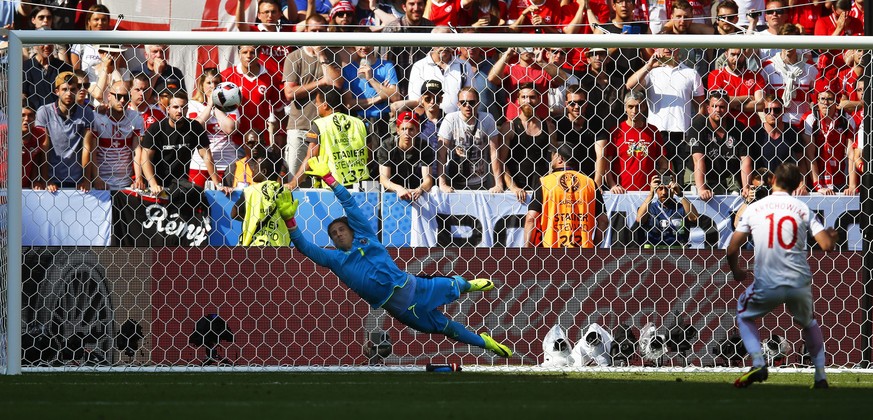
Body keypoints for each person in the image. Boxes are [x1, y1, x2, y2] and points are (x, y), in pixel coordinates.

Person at [279, 156, 513, 358]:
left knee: (455, 285)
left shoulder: (367, 236)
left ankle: (469, 285)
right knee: (447, 329)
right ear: (331, 242)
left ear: (352, 230)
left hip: (416, 287)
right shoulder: (336, 261)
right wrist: (290, 220)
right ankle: (486, 343)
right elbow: (304, 246)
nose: (338, 234)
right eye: (333, 234)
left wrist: (329, 178)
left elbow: (349, 203)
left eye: (341, 229)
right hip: (403, 310)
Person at [727, 162, 837, 389]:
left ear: (773, 181)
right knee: (808, 322)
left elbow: (731, 248)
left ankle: (758, 362)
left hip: (767, 280)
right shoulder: (802, 208)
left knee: (744, 314)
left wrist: (737, 270)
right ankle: (820, 376)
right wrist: (832, 237)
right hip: (798, 280)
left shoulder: (755, 208)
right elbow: (826, 245)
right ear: (797, 184)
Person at [140, 91, 231, 216]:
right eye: (176, 107)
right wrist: (153, 184)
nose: (179, 111)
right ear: (168, 109)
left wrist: (217, 184)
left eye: (183, 107)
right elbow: (145, 158)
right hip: (156, 186)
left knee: (194, 200)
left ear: (187, 108)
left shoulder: (194, 127)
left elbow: (206, 156)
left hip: (180, 184)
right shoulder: (156, 129)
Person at [626, 47, 705, 180]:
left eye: (672, 45)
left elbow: (701, 105)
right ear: (657, 49)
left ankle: (676, 199)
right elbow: (630, 86)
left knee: (677, 179)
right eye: (664, 45)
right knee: (657, 177)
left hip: (682, 135)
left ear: (678, 48)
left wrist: (695, 130)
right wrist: (649, 66)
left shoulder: (691, 73)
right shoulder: (652, 73)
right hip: (656, 134)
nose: (668, 48)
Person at [283, 14, 343, 179]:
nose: (317, 34)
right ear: (306, 30)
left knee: (325, 179)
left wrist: (322, 55)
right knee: (295, 177)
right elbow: (289, 93)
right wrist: (321, 82)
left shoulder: (332, 56)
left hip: (326, 128)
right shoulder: (294, 57)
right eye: (313, 30)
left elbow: (337, 84)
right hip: (300, 126)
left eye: (321, 31)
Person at [524, 143, 607, 248]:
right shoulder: (589, 183)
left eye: (553, 155)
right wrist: (595, 247)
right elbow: (603, 221)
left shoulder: (545, 182)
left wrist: (527, 251)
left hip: (551, 251)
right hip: (584, 254)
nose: (551, 159)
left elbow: (531, 219)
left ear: (560, 159)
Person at [286, 87, 370, 190]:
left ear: (325, 105)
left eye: (317, 102)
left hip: (333, 186)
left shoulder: (319, 125)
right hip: (361, 185)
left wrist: (294, 182)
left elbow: (311, 157)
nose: (316, 105)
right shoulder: (359, 123)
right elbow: (368, 154)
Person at [437, 87, 507, 194]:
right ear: (458, 104)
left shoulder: (487, 119)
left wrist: (499, 184)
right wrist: (442, 184)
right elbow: (441, 153)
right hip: (454, 181)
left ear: (478, 103)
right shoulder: (450, 119)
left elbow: (494, 153)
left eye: (471, 102)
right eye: (463, 103)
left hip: (480, 181)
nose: (467, 106)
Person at [35, 71, 96, 192]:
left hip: (77, 180)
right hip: (52, 179)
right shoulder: (44, 112)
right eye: (64, 89)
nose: (69, 94)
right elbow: (44, 147)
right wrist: (46, 179)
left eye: (73, 89)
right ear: (56, 91)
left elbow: (87, 147)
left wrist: (86, 179)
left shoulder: (86, 112)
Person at [603, 90, 669, 193]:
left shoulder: (653, 131)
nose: (634, 110)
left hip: (648, 193)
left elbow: (663, 162)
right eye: (630, 107)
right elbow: (607, 163)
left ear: (644, 107)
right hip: (622, 192)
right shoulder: (616, 131)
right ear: (625, 108)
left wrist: (664, 185)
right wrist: (612, 185)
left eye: (638, 106)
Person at [690, 90, 750, 199]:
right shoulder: (699, 125)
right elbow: (698, 159)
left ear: (727, 109)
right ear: (708, 109)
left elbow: (745, 159)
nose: (718, 110)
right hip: (702, 175)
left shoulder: (738, 128)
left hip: (727, 176)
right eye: (714, 106)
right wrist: (701, 188)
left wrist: (746, 187)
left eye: (722, 107)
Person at [88, 81, 145, 191]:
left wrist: (138, 178)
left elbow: (137, 151)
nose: (122, 100)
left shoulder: (136, 118)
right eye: (118, 96)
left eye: (126, 97)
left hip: (126, 183)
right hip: (102, 184)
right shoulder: (97, 117)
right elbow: (92, 151)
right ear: (109, 96)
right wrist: (97, 178)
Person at [187, 68, 239, 188]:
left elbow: (230, 129)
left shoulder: (231, 105)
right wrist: (209, 106)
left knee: (226, 202)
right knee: (196, 202)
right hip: (200, 164)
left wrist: (216, 107)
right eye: (209, 83)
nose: (213, 86)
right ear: (201, 85)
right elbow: (194, 128)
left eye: (216, 83)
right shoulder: (194, 104)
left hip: (226, 163)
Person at [801, 89, 856, 195]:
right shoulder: (810, 119)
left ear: (836, 101)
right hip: (815, 180)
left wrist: (852, 186)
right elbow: (809, 156)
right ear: (817, 100)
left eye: (830, 99)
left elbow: (851, 154)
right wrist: (818, 186)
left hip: (839, 180)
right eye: (822, 99)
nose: (826, 103)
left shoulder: (846, 119)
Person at [232, 148, 290, 246]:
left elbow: (234, 213)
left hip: (254, 245)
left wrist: (253, 219)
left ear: (263, 171)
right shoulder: (285, 192)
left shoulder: (250, 191)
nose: (253, 168)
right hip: (279, 246)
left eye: (256, 166)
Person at [376, 111, 435, 200]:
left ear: (417, 130)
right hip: (392, 193)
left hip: (416, 192)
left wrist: (419, 189)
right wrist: (399, 188)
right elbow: (384, 179)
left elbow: (428, 179)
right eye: (403, 129)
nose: (407, 133)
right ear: (398, 130)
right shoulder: (387, 146)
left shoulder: (424, 146)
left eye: (411, 129)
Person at [635, 173, 699, 248]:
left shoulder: (681, 208)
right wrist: (651, 194)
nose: (664, 193)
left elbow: (694, 217)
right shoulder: (650, 208)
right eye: (660, 188)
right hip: (652, 253)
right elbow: (639, 219)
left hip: (678, 254)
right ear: (656, 189)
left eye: (667, 189)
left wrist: (680, 194)